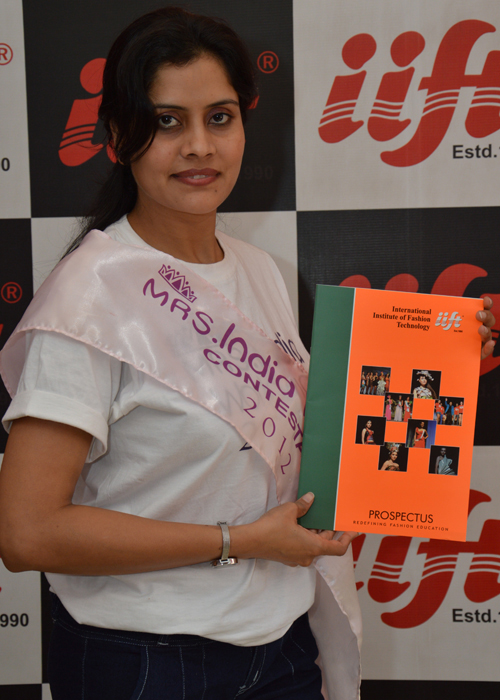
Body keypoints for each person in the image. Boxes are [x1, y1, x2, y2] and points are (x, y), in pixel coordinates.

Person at [0, 8, 363, 700]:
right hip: (145, 660)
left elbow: (301, 441)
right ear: (118, 137)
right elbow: (27, 532)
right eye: (167, 121)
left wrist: (438, 358)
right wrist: (238, 541)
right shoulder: (90, 298)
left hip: (281, 644)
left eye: (219, 118)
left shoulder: (259, 270)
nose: (200, 146)